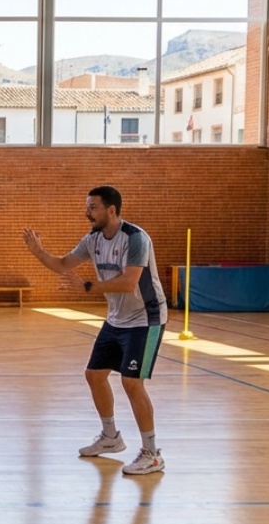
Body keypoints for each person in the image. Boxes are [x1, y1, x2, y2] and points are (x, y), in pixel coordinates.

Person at [22, 185, 168, 476]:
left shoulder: (136, 239)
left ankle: (152, 454)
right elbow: (64, 264)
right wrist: (39, 252)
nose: (86, 212)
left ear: (110, 210)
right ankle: (111, 437)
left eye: (92, 207)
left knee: (131, 382)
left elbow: (129, 282)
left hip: (145, 318)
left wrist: (90, 287)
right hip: (116, 318)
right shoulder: (93, 239)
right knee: (94, 375)